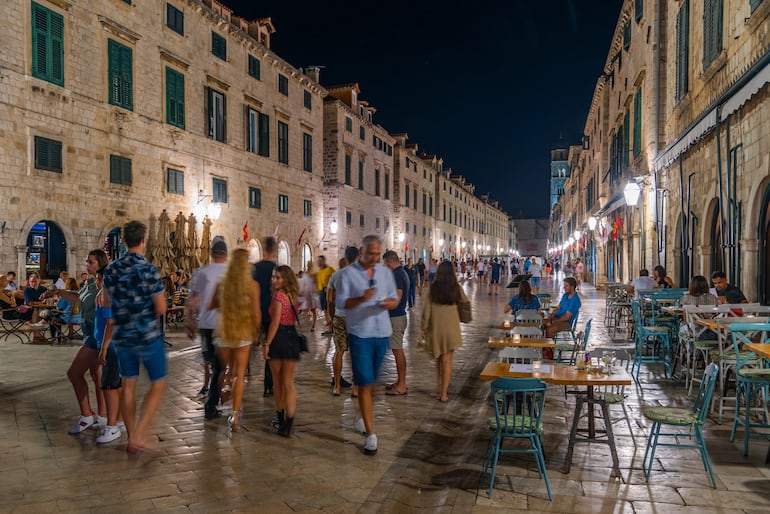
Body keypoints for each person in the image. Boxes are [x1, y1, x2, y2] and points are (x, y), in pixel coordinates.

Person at [104, 220, 167, 453]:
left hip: (122, 336)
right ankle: (141, 431)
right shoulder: (149, 270)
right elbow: (160, 308)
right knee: (158, 384)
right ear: (143, 241)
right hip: (147, 336)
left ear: (122, 241)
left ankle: (131, 437)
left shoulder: (110, 270)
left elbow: (107, 301)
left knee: (128, 385)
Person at [337, 235, 398, 455]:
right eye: (370, 253)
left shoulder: (384, 273)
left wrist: (391, 302)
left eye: (377, 254)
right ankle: (371, 435)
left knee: (373, 383)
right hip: (360, 334)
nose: (374, 258)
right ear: (362, 251)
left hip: (382, 333)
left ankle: (361, 415)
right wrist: (361, 298)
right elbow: (342, 303)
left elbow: (394, 298)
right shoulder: (349, 275)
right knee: (363, 382)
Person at [60, 250, 109, 433]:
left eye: (91, 262)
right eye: (87, 261)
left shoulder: (103, 284)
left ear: (100, 264)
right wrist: (58, 292)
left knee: (74, 373)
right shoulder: (89, 283)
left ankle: (87, 415)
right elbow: (79, 299)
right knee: (97, 375)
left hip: (96, 334)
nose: (87, 265)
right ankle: (102, 416)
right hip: (89, 331)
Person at [215, 248, 261, 432]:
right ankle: (234, 415)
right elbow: (257, 315)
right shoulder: (252, 285)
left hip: (224, 331)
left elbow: (214, 305)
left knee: (226, 371)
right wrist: (256, 333)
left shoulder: (223, 284)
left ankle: (224, 399)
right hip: (243, 331)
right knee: (239, 375)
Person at [186, 237, 228, 420]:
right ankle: (212, 405)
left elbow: (193, 299)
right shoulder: (230, 272)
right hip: (224, 326)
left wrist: (190, 321)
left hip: (205, 325)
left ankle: (213, 403)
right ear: (226, 254)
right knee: (220, 368)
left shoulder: (202, 273)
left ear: (212, 254)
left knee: (214, 365)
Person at [421, 260, 468, 403]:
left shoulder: (433, 288)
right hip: (451, 328)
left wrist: (423, 327)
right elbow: (465, 302)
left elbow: (426, 310)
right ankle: (444, 393)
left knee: (438, 360)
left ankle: (438, 388)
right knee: (447, 361)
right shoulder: (456, 288)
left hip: (436, 328)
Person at [263, 265, 301, 437]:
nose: (275, 280)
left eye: (278, 277)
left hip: (279, 338)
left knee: (278, 383)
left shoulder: (278, 296)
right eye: (274, 277)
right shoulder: (293, 296)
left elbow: (275, 322)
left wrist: (267, 344)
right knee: (289, 383)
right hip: (292, 337)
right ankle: (290, 422)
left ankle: (281, 419)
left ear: (286, 279)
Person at [93, 268, 125, 444]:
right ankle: (119, 422)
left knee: (109, 385)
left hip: (112, 345)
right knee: (116, 384)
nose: (98, 283)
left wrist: (103, 348)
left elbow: (110, 324)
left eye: (100, 280)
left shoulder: (109, 296)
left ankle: (112, 427)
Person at [328, 248, 358, 396]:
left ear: (346, 257)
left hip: (339, 315)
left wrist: (332, 316)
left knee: (339, 352)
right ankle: (355, 388)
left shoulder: (335, 275)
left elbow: (329, 299)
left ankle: (337, 387)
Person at [253, 236, 277, 397]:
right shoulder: (276, 268)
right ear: (274, 249)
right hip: (270, 312)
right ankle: (268, 385)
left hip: (254, 311)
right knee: (270, 348)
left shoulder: (254, 268)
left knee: (248, 346)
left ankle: (238, 377)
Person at [383, 251, 409, 396]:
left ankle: (402, 385)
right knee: (396, 349)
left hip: (396, 317)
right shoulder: (402, 272)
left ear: (389, 263)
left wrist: (382, 304)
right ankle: (400, 381)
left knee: (397, 350)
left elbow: (397, 296)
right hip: (398, 316)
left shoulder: (398, 275)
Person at [544, 277, 581, 344]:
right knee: (542, 323)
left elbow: (566, 317)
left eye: (566, 286)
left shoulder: (575, 300)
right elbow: (557, 308)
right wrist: (550, 318)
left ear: (572, 287)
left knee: (549, 329)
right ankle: (542, 345)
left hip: (566, 322)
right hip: (557, 318)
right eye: (564, 285)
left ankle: (549, 350)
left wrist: (552, 322)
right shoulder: (565, 296)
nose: (564, 287)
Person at [316, 255, 335, 336]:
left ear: (324, 261)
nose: (319, 263)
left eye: (320, 261)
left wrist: (329, 288)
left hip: (328, 292)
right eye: (318, 261)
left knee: (330, 310)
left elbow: (335, 279)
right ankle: (330, 328)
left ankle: (332, 327)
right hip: (321, 293)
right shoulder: (319, 272)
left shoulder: (330, 270)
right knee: (325, 310)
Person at [298, 261, 319, 330]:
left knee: (307, 310)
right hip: (312, 293)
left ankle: (307, 325)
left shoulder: (307, 274)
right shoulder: (314, 274)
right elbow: (316, 284)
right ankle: (312, 326)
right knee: (312, 311)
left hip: (309, 294)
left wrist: (301, 291)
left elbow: (303, 285)